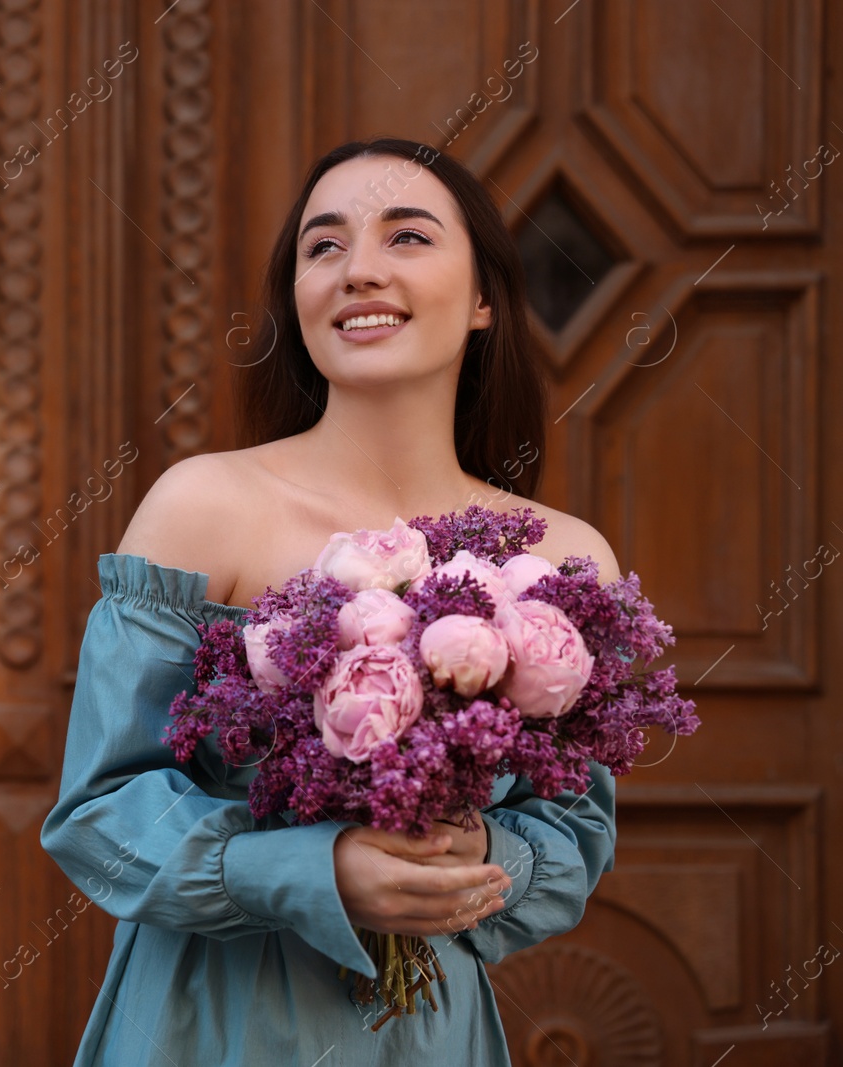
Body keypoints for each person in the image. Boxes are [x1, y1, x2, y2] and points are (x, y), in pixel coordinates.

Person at [39, 137, 621, 1065]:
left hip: (428, 1033)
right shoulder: (204, 507)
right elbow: (101, 811)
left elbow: (572, 840)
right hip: (209, 1024)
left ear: (482, 300)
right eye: (324, 246)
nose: (359, 270)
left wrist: (468, 854)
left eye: (407, 237)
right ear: (298, 301)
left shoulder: (564, 557)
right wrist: (315, 871)